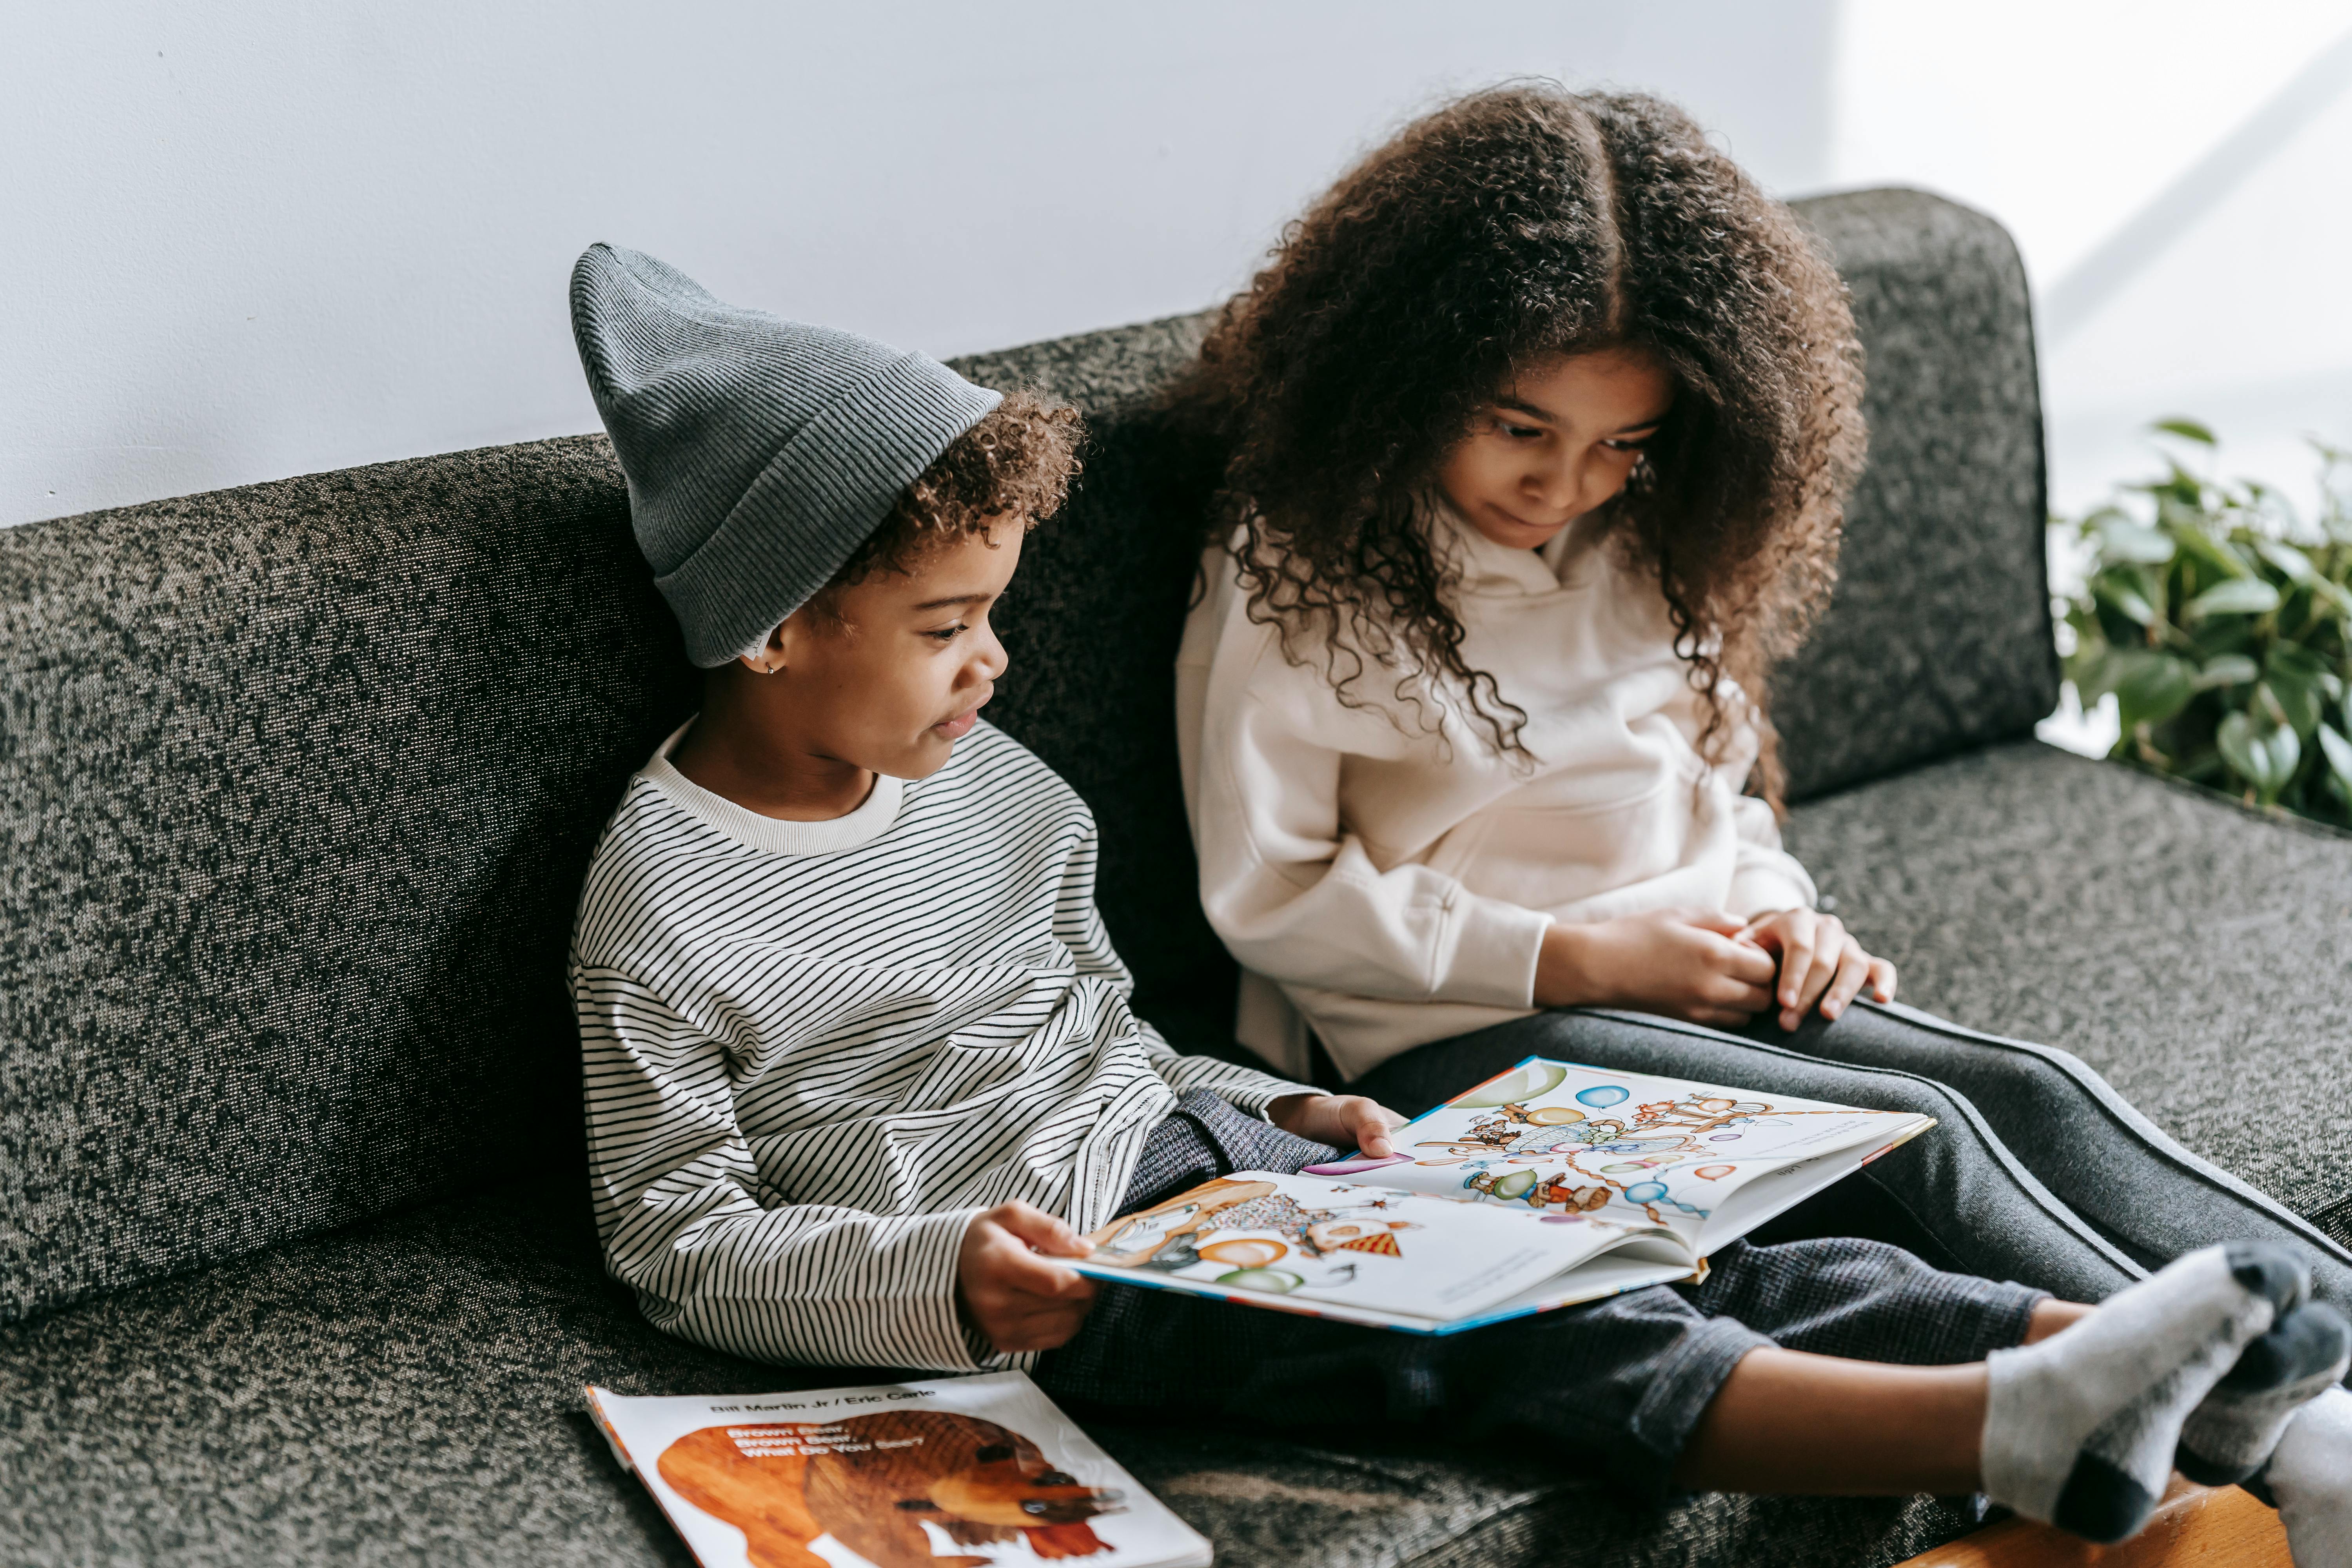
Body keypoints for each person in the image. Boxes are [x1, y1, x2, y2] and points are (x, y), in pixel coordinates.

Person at [563, 242, 2352, 1555]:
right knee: (1527, 1335)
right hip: (1079, 1277)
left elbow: (1111, 1029)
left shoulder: (1007, 793)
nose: (997, 664)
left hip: (1220, 1163)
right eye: (950, 631)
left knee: (1676, 1244)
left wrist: (1282, 1105)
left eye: (997, 615)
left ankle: (2120, 1365)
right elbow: (673, 1229)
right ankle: (2017, 1422)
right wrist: (936, 1274)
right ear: (773, 628)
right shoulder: (663, 902)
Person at [1166, 83, 2352, 1550]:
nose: (1565, 484)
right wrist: (1592, 962)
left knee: (2025, 1086)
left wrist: (1782, 909)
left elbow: (1708, 789)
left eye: (1623, 444)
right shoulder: (1299, 568)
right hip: (1440, 1042)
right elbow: (1268, 897)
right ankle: (2289, 1436)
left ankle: (2332, 1377)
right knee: (1908, 1135)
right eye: (1519, 428)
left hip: (1689, 970)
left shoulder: (1643, 538)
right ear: (1408, 371)